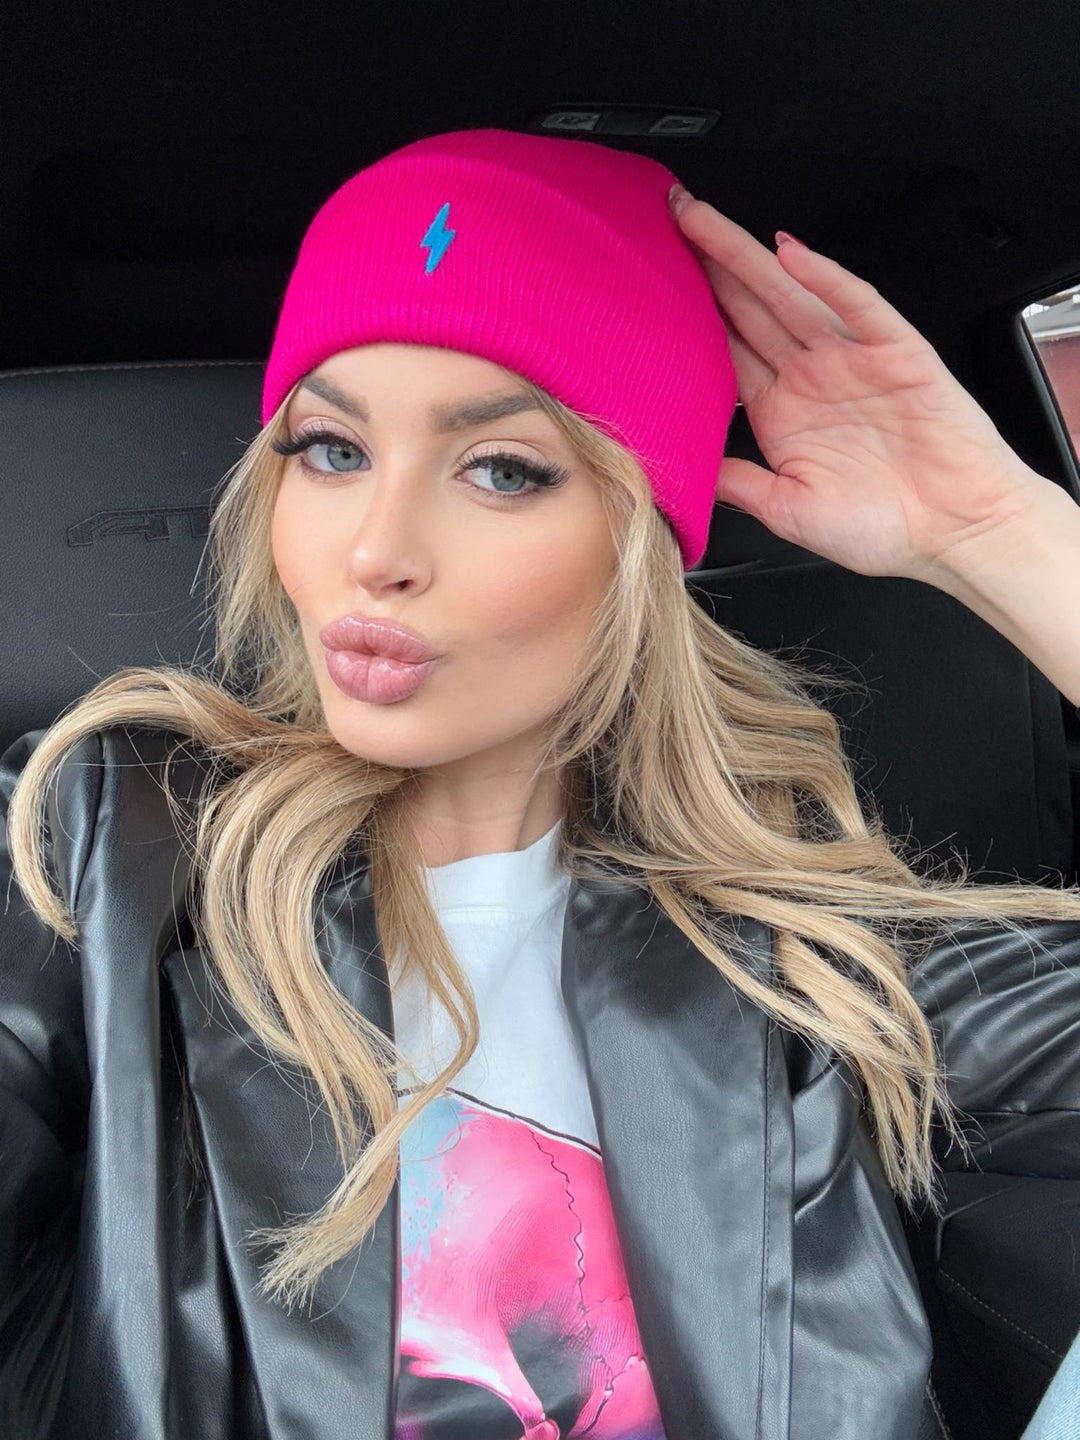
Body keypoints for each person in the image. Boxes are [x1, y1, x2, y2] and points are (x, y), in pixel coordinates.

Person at [1, 127, 1079, 1440]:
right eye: (330, 450)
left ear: (640, 539)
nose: (378, 551)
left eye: (501, 470)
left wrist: (1000, 535)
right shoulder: (100, 853)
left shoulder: (810, 971)